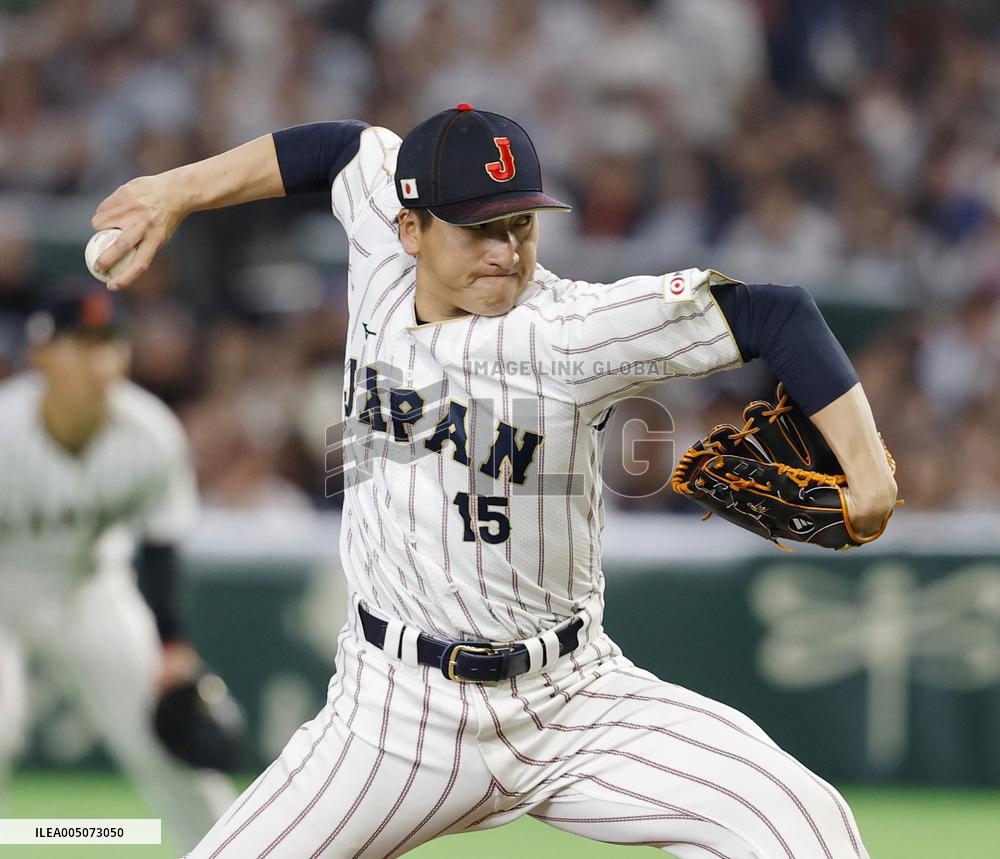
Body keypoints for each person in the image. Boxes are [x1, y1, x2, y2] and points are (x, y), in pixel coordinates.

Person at [93, 104, 897, 858]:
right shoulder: (380, 250)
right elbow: (337, 148)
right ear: (409, 227)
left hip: (571, 699)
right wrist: (176, 191)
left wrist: (869, 478)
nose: (505, 251)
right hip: (395, 713)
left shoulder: (573, 332)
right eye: (478, 228)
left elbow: (776, 313)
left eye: (520, 224)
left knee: (803, 819)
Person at [0, 290, 237, 853]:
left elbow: (160, 542)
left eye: (108, 344)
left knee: (164, 737)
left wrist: (171, 645)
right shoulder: (5, 428)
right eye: (78, 345)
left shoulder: (149, 430)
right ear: (40, 355)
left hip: (91, 588)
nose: (97, 360)